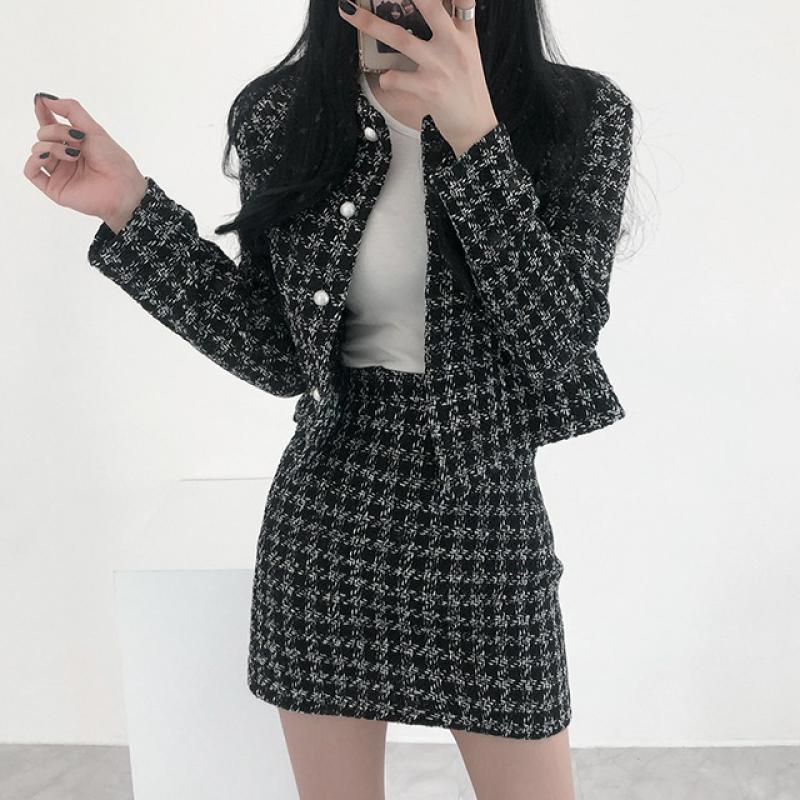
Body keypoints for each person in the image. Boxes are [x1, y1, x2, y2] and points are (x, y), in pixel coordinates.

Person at [24, 0, 636, 797]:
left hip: (486, 512)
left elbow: (559, 341)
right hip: (327, 518)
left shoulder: (578, 114)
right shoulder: (283, 113)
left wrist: (474, 132)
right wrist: (128, 208)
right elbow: (276, 351)